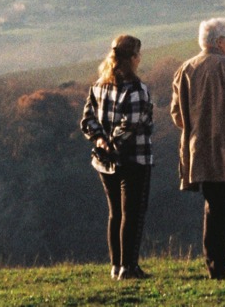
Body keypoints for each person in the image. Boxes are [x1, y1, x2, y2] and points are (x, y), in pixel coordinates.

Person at [171, 17, 225, 280]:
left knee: (214, 209)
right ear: (219, 41)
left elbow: (177, 114)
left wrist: (198, 129)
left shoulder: (185, 69)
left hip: (202, 150)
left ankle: (215, 269)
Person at [80, 34, 154, 281]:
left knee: (115, 214)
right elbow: (130, 125)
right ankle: (129, 267)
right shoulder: (137, 89)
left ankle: (116, 265)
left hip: (104, 161)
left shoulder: (98, 85)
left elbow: (87, 119)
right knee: (133, 213)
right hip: (135, 159)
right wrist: (113, 143)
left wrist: (100, 141)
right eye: (138, 55)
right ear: (133, 58)